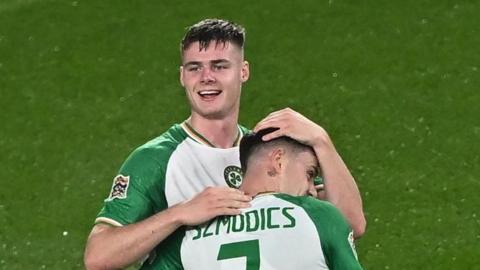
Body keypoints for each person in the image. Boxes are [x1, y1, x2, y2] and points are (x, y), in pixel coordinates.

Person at [84, 18, 366, 270]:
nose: (207, 77)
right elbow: (98, 256)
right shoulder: (157, 159)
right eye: (195, 68)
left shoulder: (265, 150)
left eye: (219, 66)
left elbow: (348, 225)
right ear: (182, 76)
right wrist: (180, 214)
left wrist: (321, 140)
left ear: (243, 72)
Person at [141, 128, 363, 269]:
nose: (313, 190)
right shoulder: (318, 215)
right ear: (278, 160)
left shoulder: (190, 234)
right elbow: (356, 223)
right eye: (310, 173)